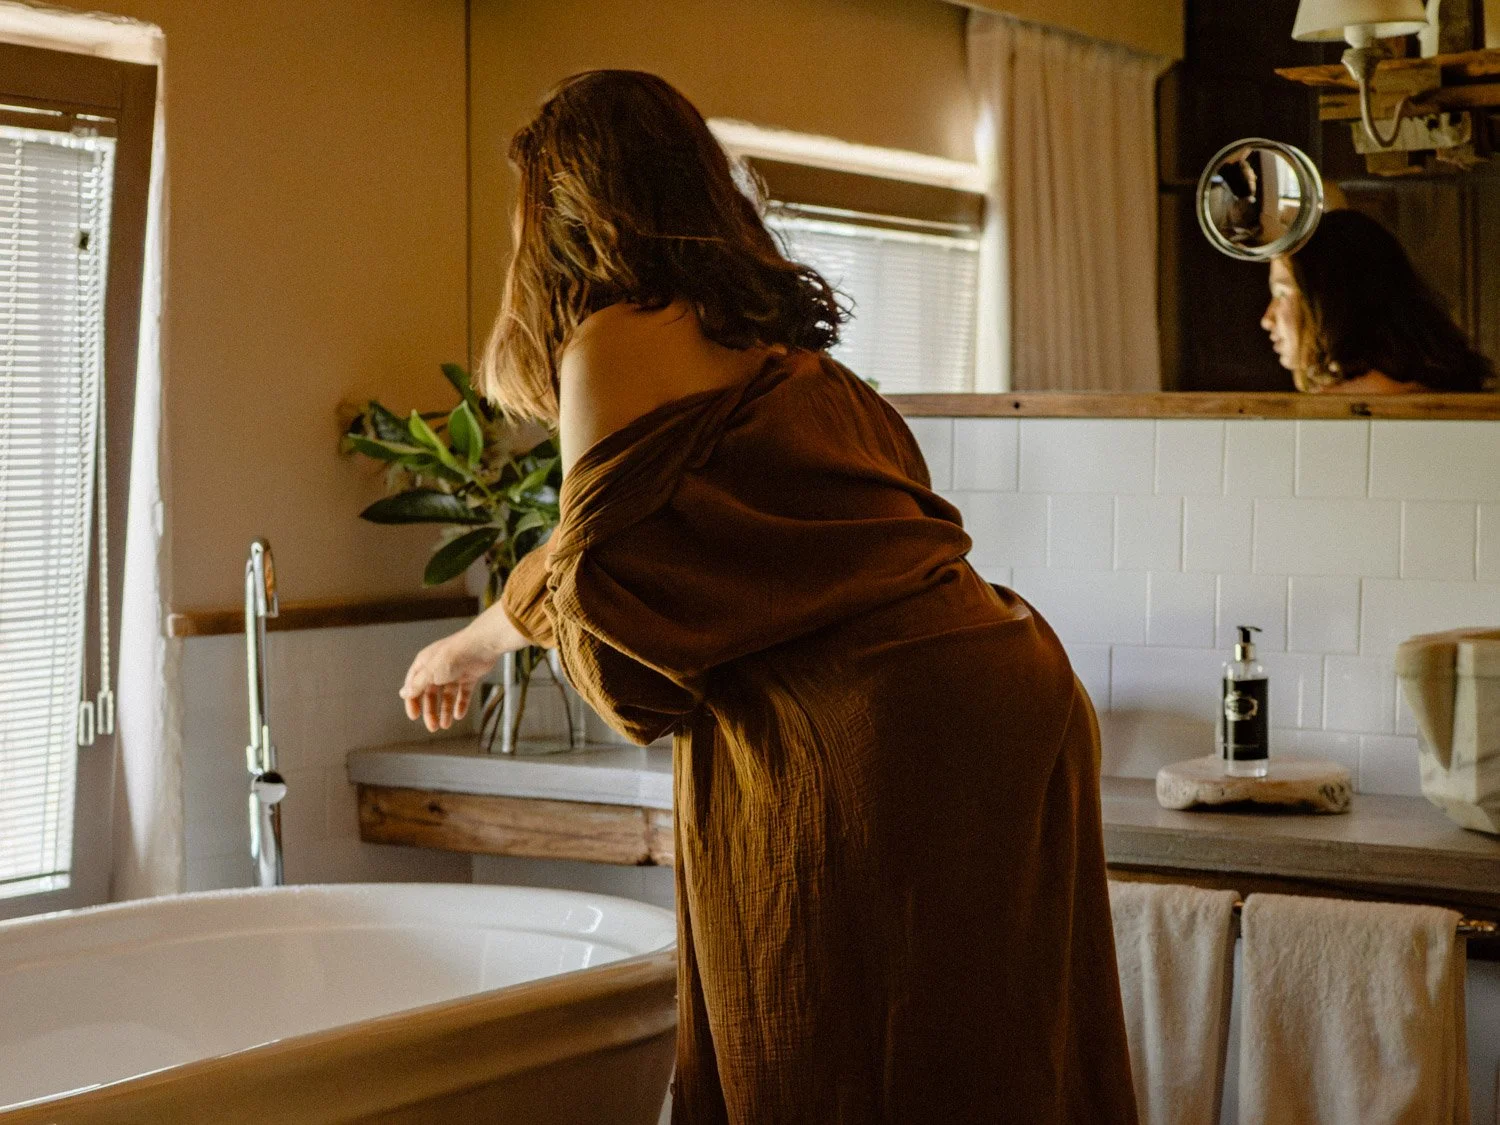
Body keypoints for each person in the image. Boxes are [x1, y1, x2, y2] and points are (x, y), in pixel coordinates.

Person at [399, 69, 1137, 1124]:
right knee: (1001, 1058)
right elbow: (591, 551)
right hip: (1012, 694)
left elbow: (611, 631)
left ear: (562, 209)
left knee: (822, 1050)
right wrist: (478, 642)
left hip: (876, 731)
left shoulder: (612, 339)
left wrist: (486, 639)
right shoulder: (784, 349)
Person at [1262, 208, 1495, 394]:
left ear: (1331, 300)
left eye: (1282, 293)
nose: (1267, 319)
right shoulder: (1437, 385)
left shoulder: (1344, 407)